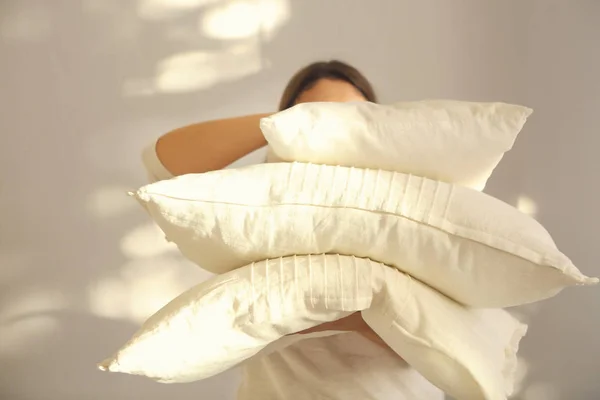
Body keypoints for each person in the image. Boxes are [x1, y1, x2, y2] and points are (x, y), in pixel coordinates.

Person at [142, 60, 444, 399]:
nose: (335, 128)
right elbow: (164, 167)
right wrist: (286, 123)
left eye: (354, 117)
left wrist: (332, 310)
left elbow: (442, 343)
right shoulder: (260, 213)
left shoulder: (410, 211)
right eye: (317, 115)